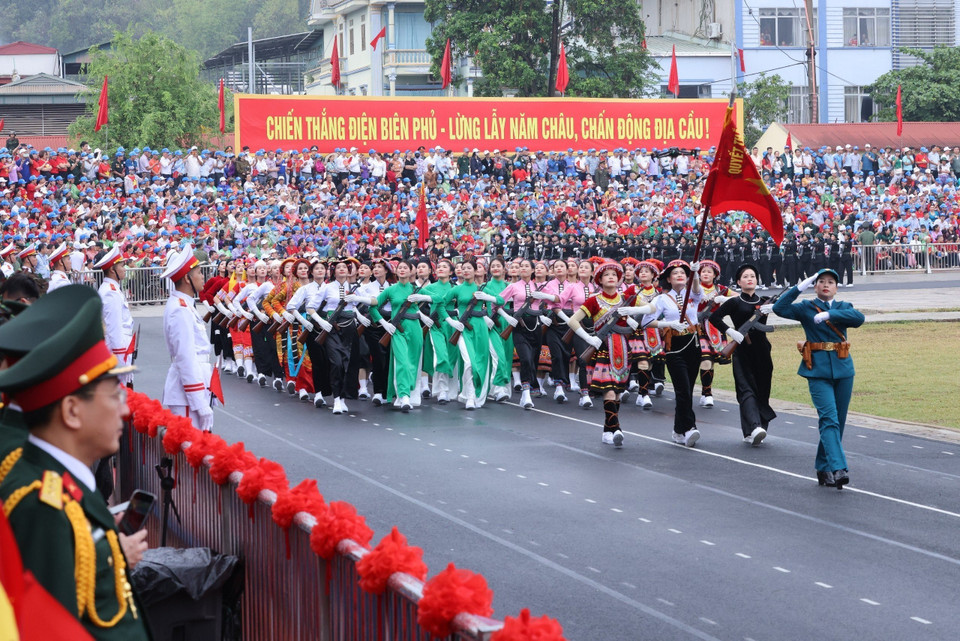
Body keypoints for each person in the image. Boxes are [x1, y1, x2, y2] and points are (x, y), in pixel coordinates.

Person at [0, 284, 149, 640]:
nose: (125, 408)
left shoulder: (63, 481)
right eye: (114, 394)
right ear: (71, 410)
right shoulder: (41, 504)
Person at [773, 268, 865, 488]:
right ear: (814, 286)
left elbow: (859, 318)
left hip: (843, 370)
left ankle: (823, 468)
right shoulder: (806, 308)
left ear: (836, 287)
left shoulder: (843, 307)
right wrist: (799, 287)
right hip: (817, 370)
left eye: (831, 282)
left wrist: (830, 315)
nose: (826, 285)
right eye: (820, 281)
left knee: (838, 422)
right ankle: (838, 467)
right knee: (829, 419)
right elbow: (779, 308)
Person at [566, 261, 654, 446]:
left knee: (619, 391)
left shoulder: (627, 297)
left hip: (623, 349)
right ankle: (616, 428)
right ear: (599, 279)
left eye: (615, 274)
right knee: (609, 391)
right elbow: (573, 321)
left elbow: (652, 309)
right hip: (604, 349)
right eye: (607, 275)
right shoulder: (593, 300)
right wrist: (588, 338)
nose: (611, 277)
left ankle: (608, 429)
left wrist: (633, 311)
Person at [709, 264, 777, 445]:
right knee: (746, 390)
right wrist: (731, 332)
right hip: (742, 349)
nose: (750, 279)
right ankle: (753, 427)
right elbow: (713, 317)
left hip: (762, 350)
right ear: (738, 282)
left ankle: (757, 428)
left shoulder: (764, 301)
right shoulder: (734, 302)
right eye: (745, 276)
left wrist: (773, 307)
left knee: (763, 389)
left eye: (753, 276)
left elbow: (784, 308)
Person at [641, 260, 703, 447]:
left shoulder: (692, 295)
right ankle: (690, 428)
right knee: (682, 388)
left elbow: (698, 291)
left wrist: (696, 274)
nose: (680, 275)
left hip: (693, 344)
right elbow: (646, 321)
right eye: (675, 273)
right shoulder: (661, 299)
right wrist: (668, 324)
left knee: (688, 389)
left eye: (683, 273)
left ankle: (678, 430)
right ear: (668, 278)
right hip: (674, 345)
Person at [161, 244, 214, 431]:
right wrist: (199, 403)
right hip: (187, 397)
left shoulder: (185, 305)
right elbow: (186, 358)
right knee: (191, 454)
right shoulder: (180, 309)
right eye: (199, 272)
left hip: (193, 390)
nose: (202, 277)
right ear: (187, 278)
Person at [94, 246, 135, 388]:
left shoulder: (112, 289)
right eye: (122, 265)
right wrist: (121, 362)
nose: (125, 268)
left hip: (120, 350)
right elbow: (114, 329)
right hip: (116, 352)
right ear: (112, 270)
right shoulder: (110, 293)